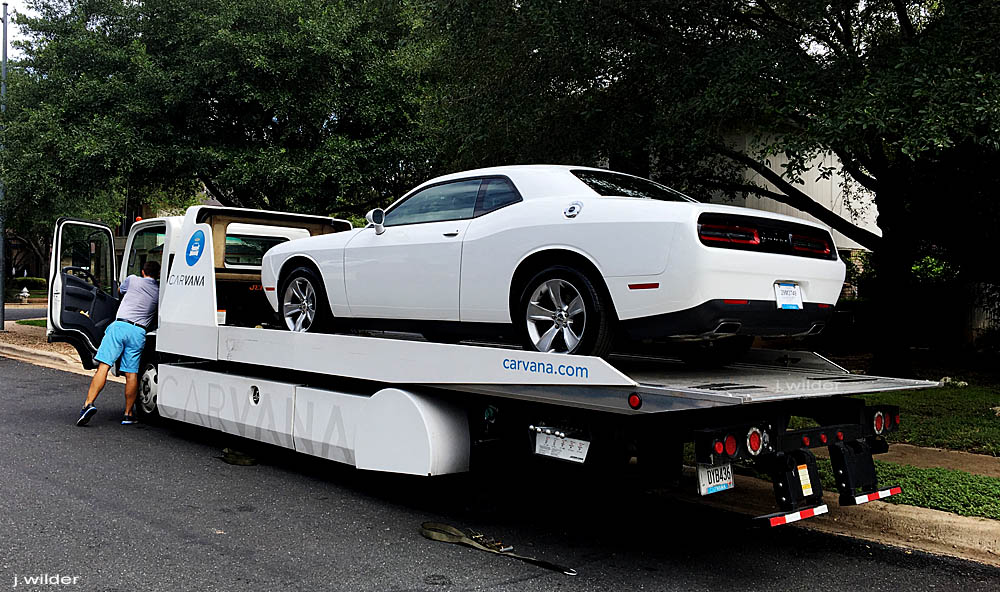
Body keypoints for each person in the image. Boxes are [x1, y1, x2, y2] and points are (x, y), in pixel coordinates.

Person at [76, 260, 161, 426]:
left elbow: (120, 292)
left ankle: (88, 404)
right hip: (138, 332)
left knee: (104, 367)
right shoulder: (159, 291)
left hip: (120, 326)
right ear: (158, 274)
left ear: (143, 272)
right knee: (131, 374)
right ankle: (128, 414)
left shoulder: (133, 279)